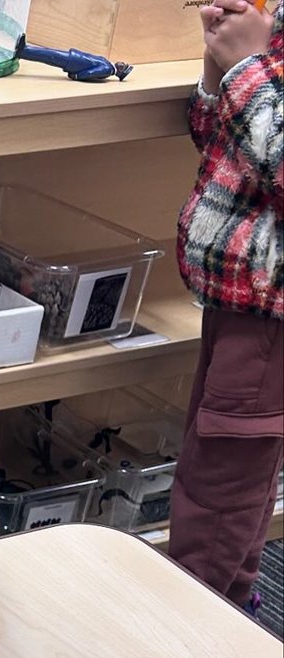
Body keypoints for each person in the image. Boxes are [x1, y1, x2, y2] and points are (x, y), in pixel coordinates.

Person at [170, 0, 283, 619]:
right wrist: (221, 72)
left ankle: (197, 631)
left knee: (217, 495)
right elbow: (224, 147)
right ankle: (231, 611)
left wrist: (246, 64)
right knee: (218, 467)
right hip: (238, 301)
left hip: (270, 317)